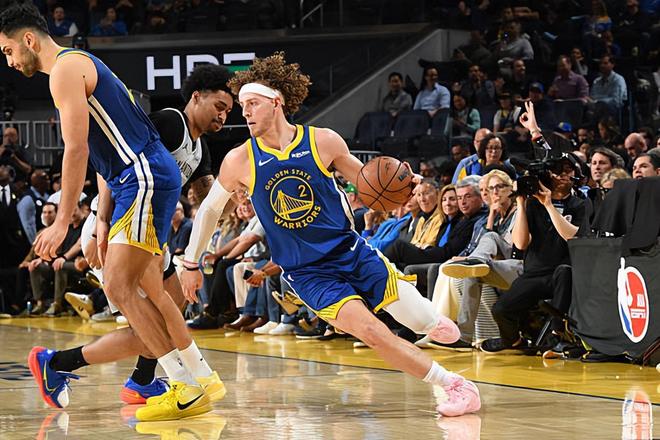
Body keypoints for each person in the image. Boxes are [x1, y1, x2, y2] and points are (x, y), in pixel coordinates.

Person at [180, 52, 481, 417]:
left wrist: (405, 185)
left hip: (350, 251)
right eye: (242, 106)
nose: (245, 113)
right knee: (371, 331)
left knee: (421, 321)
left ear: (276, 102)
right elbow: (209, 210)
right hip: (308, 273)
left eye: (252, 103)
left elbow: (369, 183)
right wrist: (191, 263)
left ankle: (430, 321)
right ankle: (454, 384)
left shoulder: (323, 141)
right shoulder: (240, 159)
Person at [0, 3, 215, 421]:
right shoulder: (80, 64)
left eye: (8, 50)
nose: (8, 61)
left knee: (119, 286)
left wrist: (64, 220)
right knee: (149, 294)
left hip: (142, 177)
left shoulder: (65, 69)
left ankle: (185, 385)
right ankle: (166, 378)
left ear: (28, 40)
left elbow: (76, 149)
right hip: (139, 178)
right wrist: (101, 220)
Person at [34, 64, 236, 407]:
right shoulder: (170, 122)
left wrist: (241, 187)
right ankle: (175, 377)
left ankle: (131, 378)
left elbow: (213, 205)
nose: (223, 116)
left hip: (147, 228)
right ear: (196, 97)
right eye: (219, 106)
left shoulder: (200, 150)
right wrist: (100, 220)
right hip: (117, 218)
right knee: (154, 318)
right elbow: (115, 158)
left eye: (228, 111)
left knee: (168, 313)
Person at [480, 101, 588, 353]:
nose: (561, 176)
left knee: (564, 272)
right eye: (557, 172)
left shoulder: (580, 203)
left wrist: (549, 205)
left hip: (563, 272)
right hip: (534, 272)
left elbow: (571, 236)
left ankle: (558, 336)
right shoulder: (533, 203)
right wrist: (520, 203)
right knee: (501, 309)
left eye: (567, 172)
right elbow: (520, 244)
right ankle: (515, 342)